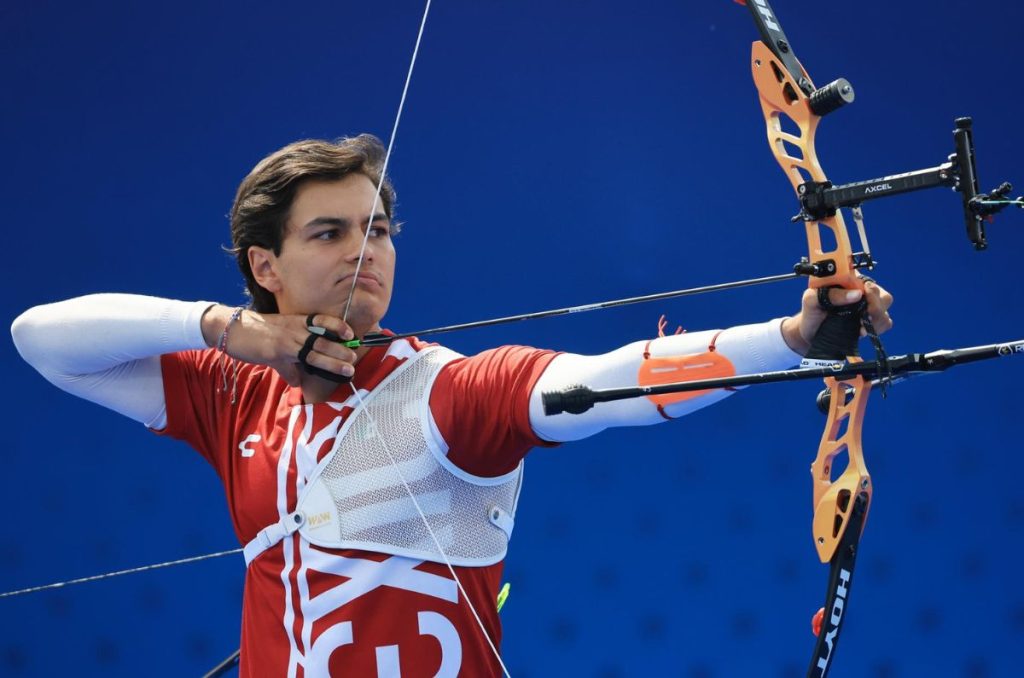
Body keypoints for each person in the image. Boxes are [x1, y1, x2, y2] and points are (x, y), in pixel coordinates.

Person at [11, 134, 893, 677]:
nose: (367, 250)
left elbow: (605, 383)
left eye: (380, 229)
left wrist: (791, 336)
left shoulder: (442, 390)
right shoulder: (234, 390)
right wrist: (228, 331)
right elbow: (41, 339)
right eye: (331, 232)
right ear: (263, 267)